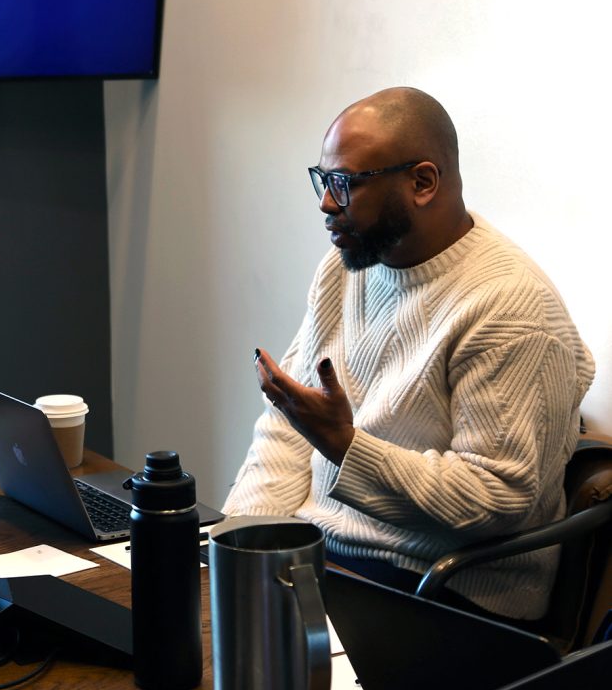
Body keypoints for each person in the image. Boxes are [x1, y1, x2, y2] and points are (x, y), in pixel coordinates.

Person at [223, 87, 594, 621]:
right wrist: (239, 549)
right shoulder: (347, 267)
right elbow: (288, 429)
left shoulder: (511, 308)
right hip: (330, 563)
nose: (326, 203)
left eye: (345, 184)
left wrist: (345, 446)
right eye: (323, 180)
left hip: (446, 593)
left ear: (422, 182)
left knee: (254, 689)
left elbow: (495, 498)